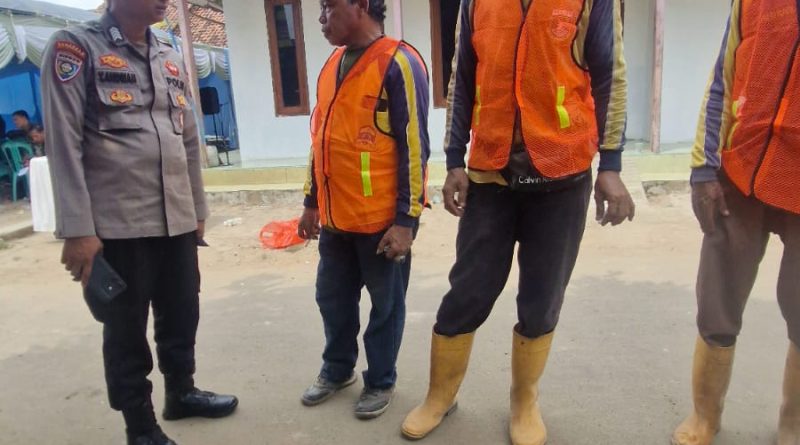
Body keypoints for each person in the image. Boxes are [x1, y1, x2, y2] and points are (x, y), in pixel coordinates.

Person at [401, 0, 633, 443]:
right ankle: (439, 396)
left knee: (542, 299)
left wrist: (611, 164)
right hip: (491, 173)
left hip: (562, 174)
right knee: (468, 290)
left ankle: (524, 400)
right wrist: (454, 159)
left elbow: (610, 76)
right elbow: (462, 77)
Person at [41, 0, 238, 443]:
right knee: (126, 329)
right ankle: (140, 426)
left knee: (182, 312)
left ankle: (181, 393)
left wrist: (197, 210)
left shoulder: (168, 53)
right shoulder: (76, 48)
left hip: (176, 218)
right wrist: (78, 229)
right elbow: (63, 143)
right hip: (118, 224)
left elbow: (188, 137)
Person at [672, 1, 800, 444]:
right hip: (740, 171)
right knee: (717, 300)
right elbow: (722, 82)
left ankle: (793, 424)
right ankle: (705, 416)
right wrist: (703, 169)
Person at [297, 0, 430, 420]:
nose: (321, 18)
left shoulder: (400, 63)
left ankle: (380, 381)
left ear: (360, 5)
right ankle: (338, 370)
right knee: (331, 299)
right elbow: (320, 140)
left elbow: (415, 148)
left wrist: (406, 222)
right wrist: (310, 202)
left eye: (328, 6)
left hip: (381, 224)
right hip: (336, 220)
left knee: (385, 307)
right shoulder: (331, 66)